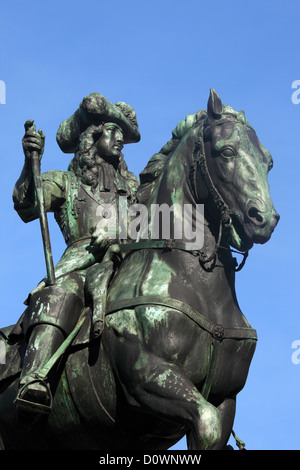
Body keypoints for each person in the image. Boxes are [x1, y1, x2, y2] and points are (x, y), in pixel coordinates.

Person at [12, 93, 140, 417]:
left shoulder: (133, 189)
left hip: (124, 261)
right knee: (61, 293)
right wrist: (30, 163)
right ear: (92, 136)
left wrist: (121, 233)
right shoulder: (65, 182)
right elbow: (29, 204)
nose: (121, 139)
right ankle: (34, 377)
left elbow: (153, 226)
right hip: (80, 263)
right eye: (113, 130)